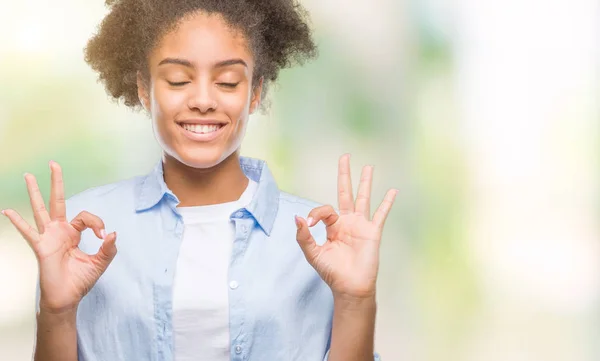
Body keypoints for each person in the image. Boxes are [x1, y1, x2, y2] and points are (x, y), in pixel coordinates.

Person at [1, 0, 398, 360]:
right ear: (144, 88)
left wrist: (355, 300)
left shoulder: (321, 238)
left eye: (227, 81)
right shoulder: (80, 231)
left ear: (255, 92)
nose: (204, 100)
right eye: (177, 80)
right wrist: (55, 312)